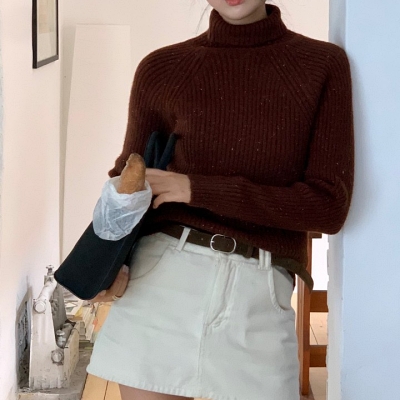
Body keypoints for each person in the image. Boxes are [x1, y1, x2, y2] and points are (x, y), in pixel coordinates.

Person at [86, 0, 354, 399]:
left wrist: (195, 188)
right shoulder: (161, 68)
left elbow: (328, 207)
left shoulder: (322, 66)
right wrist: (104, 264)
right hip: (161, 282)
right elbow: (127, 181)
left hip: (258, 294)